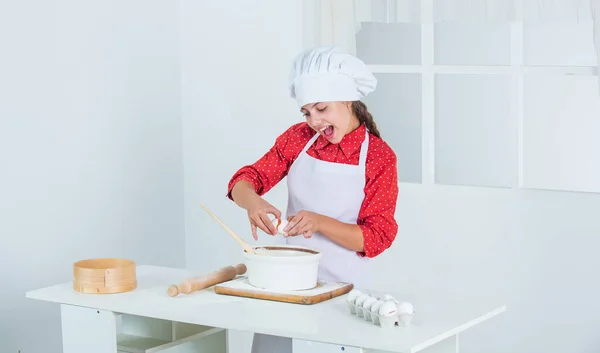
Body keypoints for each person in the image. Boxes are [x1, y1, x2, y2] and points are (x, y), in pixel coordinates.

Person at [226, 46, 399, 353]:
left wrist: (319, 222)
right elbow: (246, 180)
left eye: (322, 109)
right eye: (306, 112)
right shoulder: (298, 138)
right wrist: (252, 202)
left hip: (345, 294)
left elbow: (375, 237)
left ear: (348, 100)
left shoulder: (378, 157)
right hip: (288, 286)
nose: (315, 121)